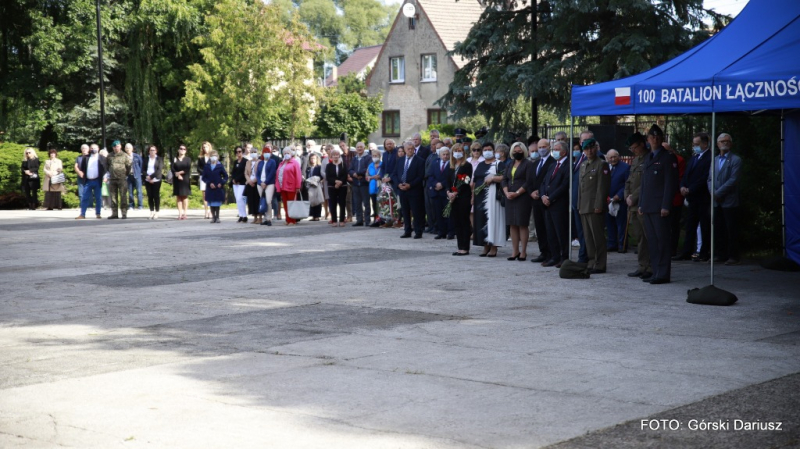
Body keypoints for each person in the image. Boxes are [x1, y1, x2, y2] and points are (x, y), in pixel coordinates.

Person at [639, 124, 679, 284]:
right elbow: (644, 184)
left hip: (660, 207)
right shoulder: (648, 157)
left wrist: (666, 205)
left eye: (657, 137)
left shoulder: (668, 157)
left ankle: (663, 273)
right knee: (653, 242)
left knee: (662, 241)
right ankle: (656, 271)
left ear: (662, 139)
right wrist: (641, 203)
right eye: (652, 137)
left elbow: (670, 183)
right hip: (648, 206)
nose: (654, 139)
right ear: (648, 140)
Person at [674, 132, 712, 262]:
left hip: (702, 197)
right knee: (690, 225)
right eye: (694, 144)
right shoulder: (694, 157)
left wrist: (691, 189)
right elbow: (686, 175)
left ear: (705, 144)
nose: (694, 146)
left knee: (704, 225)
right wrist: (682, 186)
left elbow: (705, 177)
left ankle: (704, 252)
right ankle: (686, 251)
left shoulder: (710, 158)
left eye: (697, 144)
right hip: (691, 197)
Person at [578, 138, 611, 274]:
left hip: (594, 205)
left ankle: (600, 263)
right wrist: (579, 204)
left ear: (596, 148)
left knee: (597, 236)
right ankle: (592, 261)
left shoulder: (601, 164)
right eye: (586, 149)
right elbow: (581, 188)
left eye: (591, 148)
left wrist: (599, 205)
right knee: (588, 237)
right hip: (584, 205)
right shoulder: (583, 165)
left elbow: (602, 188)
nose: (589, 151)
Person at [708, 132, 742, 265]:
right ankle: (719, 254)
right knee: (718, 228)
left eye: (727, 141)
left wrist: (718, 193)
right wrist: (712, 192)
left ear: (731, 144)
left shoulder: (736, 160)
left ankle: (733, 256)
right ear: (717, 144)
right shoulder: (714, 159)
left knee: (731, 229)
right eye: (722, 141)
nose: (725, 143)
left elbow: (733, 179)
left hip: (729, 200)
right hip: (716, 201)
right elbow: (710, 178)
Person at [624, 133, 652, 278]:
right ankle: (642, 265)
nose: (633, 150)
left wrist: (633, 197)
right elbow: (629, 181)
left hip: (643, 204)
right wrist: (627, 196)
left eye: (634, 147)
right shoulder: (636, 161)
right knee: (639, 237)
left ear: (642, 144)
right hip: (632, 205)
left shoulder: (649, 158)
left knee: (648, 236)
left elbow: (646, 183)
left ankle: (651, 266)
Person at [540, 141, 571, 267]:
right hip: (547, 204)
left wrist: (551, 198)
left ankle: (564, 257)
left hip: (559, 204)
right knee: (550, 232)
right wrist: (543, 196)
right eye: (554, 149)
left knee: (561, 232)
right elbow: (543, 182)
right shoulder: (553, 165)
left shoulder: (568, 165)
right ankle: (554, 256)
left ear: (564, 152)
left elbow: (564, 185)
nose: (555, 151)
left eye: (557, 149)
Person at [502, 142, 534, 261]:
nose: (517, 153)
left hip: (522, 197)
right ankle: (515, 251)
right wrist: (506, 192)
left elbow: (528, 181)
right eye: (515, 151)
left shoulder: (528, 164)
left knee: (522, 223)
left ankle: (523, 252)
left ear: (524, 151)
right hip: (509, 196)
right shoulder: (510, 164)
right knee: (512, 224)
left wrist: (517, 193)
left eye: (519, 151)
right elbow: (504, 179)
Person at [473, 142, 506, 256]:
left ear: (493, 151)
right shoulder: (480, 164)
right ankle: (485, 245)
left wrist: (493, 178)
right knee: (482, 220)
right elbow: (475, 180)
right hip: (479, 197)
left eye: (489, 149)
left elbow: (504, 177)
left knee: (492, 220)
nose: (487, 151)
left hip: (492, 197)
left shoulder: (498, 164)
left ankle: (493, 247)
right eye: (485, 149)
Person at [530, 139, 555, 263]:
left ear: (549, 147)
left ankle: (551, 253)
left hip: (546, 200)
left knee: (548, 228)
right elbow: (530, 180)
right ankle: (543, 252)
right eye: (539, 147)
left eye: (544, 146)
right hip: (535, 200)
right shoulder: (535, 163)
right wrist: (531, 191)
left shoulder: (553, 162)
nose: (541, 149)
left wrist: (541, 193)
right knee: (539, 227)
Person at [394, 141, 426, 238]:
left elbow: (420, 176)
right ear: (404, 150)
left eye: (412, 149)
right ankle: (407, 231)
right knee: (405, 211)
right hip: (402, 190)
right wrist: (398, 184)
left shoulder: (420, 161)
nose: (410, 150)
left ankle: (418, 231)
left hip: (414, 190)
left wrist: (410, 185)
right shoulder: (400, 160)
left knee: (416, 212)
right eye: (408, 149)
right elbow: (394, 174)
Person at [447, 144, 473, 255]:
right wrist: (448, 193)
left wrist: (456, 192)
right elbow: (447, 181)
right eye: (455, 150)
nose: (458, 152)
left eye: (460, 150)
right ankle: (459, 246)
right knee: (457, 222)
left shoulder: (467, 165)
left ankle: (465, 247)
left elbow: (465, 181)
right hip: (453, 198)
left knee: (464, 221)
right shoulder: (451, 166)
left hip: (463, 197)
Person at [605, 149, 630, 252]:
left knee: (621, 224)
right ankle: (612, 243)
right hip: (607, 200)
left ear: (618, 156)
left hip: (619, 200)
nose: (613, 159)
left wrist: (619, 195)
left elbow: (627, 184)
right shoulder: (606, 167)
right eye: (610, 157)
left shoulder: (625, 167)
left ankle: (622, 245)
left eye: (615, 156)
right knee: (609, 223)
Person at [571, 133, 590, 263]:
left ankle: (585, 257)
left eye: (588, 140)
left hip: (586, 201)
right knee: (580, 231)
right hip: (575, 200)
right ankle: (582, 256)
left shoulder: (595, 157)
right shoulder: (579, 157)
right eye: (583, 140)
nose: (586, 143)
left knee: (586, 232)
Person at [426, 146, 451, 239]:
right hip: (436, 191)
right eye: (443, 154)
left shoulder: (451, 164)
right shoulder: (435, 162)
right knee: (438, 213)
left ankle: (450, 232)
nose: (445, 156)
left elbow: (451, 177)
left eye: (447, 154)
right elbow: (430, 175)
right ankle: (441, 232)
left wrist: (443, 184)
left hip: (446, 191)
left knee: (448, 213)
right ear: (439, 155)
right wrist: (436, 184)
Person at [76, 144, 106, 219]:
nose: (93, 149)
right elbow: (83, 168)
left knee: (98, 198)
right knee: (85, 197)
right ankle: (82, 214)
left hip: (97, 181)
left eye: (94, 148)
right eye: (91, 148)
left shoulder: (102, 158)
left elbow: (105, 169)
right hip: (88, 181)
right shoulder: (85, 158)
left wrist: (105, 177)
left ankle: (98, 213)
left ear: (98, 149)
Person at [105, 140, 132, 219]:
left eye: (117, 146)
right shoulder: (109, 156)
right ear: (112, 147)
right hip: (112, 179)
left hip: (122, 179)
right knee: (113, 197)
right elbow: (107, 165)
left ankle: (124, 213)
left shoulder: (125, 155)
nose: (116, 148)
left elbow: (129, 166)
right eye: (114, 146)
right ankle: (114, 213)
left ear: (120, 146)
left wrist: (125, 174)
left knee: (123, 196)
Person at [276, 146, 303, 226]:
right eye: (285, 153)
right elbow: (278, 174)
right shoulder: (281, 163)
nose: (286, 154)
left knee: (291, 204)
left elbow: (298, 175)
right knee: (285, 204)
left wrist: (298, 186)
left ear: (291, 154)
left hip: (291, 186)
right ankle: (287, 219)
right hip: (282, 186)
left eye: (288, 153)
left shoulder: (294, 162)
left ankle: (292, 220)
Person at [201, 150, 228, 223]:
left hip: (218, 187)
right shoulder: (207, 166)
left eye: (215, 156)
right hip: (210, 187)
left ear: (217, 157)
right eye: (212, 156)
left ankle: (218, 217)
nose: (214, 157)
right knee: (211, 203)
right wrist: (209, 183)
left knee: (217, 203)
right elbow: (204, 177)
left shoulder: (220, 166)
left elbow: (225, 176)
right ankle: (213, 217)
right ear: (210, 157)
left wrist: (221, 183)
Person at [349, 142, 372, 226]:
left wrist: (358, 174)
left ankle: (367, 220)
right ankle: (359, 220)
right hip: (355, 183)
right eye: (358, 147)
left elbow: (368, 168)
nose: (359, 148)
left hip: (364, 183)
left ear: (364, 148)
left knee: (366, 203)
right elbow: (350, 169)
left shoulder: (368, 157)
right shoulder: (354, 158)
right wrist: (354, 174)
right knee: (357, 203)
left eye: (361, 147)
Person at [326, 147, 348, 227]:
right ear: (331, 156)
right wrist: (335, 181)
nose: (335, 156)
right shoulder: (329, 166)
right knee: (333, 203)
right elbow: (328, 177)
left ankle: (342, 220)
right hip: (332, 186)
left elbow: (345, 175)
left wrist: (340, 182)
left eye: (337, 155)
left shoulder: (343, 165)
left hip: (343, 186)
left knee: (342, 203)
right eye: (334, 155)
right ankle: (334, 220)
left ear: (339, 156)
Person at [257, 146, 278, 226]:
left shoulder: (272, 162)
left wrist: (265, 182)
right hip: (260, 184)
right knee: (263, 201)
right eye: (265, 152)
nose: (266, 154)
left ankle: (269, 219)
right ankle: (265, 218)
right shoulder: (260, 162)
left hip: (269, 184)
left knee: (268, 201)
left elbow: (272, 173)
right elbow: (257, 174)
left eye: (268, 152)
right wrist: (260, 182)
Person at [143, 145, 164, 219]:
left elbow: (159, 170)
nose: (152, 152)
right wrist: (147, 177)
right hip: (147, 179)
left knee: (156, 196)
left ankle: (157, 211)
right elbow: (143, 169)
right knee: (150, 196)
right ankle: (151, 211)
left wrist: (151, 177)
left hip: (156, 180)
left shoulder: (159, 159)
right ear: (149, 151)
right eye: (151, 150)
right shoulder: (146, 159)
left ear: (156, 151)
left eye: (154, 150)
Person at [172, 144, 192, 220]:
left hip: (185, 179)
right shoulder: (175, 159)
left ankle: (185, 213)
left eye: (184, 149)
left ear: (186, 151)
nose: (182, 150)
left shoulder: (188, 159)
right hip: (177, 179)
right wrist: (177, 174)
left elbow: (188, 168)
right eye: (181, 148)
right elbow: (172, 168)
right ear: (178, 150)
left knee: (185, 196)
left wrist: (180, 173)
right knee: (178, 196)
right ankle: (180, 213)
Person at [244, 146, 262, 224]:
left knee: (258, 200)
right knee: (251, 201)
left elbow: (260, 173)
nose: (253, 153)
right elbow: (246, 173)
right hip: (249, 183)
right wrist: (249, 181)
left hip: (257, 183)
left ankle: (260, 217)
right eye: (252, 152)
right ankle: (254, 217)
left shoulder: (260, 162)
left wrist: (254, 181)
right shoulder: (248, 162)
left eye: (255, 152)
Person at [230, 146, 248, 222]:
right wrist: (233, 179)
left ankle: (244, 215)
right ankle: (241, 215)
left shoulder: (245, 161)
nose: (238, 153)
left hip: (242, 183)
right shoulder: (235, 162)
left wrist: (237, 179)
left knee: (240, 198)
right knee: (237, 200)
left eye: (240, 151)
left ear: (242, 152)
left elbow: (244, 172)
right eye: (237, 152)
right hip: (235, 184)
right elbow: (233, 172)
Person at [304, 152, 323, 221]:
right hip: (310, 185)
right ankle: (313, 215)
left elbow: (321, 176)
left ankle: (317, 215)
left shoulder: (319, 167)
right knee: (311, 201)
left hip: (317, 185)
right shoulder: (308, 168)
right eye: (311, 158)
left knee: (317, 201)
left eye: (314, 158)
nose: (312, 160)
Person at [367, 149, 383, 227]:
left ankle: (382, 220)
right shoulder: (370, 165)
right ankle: (375, 219)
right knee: (374, 204)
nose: (374, 157)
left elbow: (385, 174)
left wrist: (379, 177)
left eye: (376, 156)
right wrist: (373, 177)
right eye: (373, 156)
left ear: (379, 156)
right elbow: (367, 177)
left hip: (381, 187)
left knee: (381, 204)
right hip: (372, 187)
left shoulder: (382, 164)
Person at [126, 144, 143, 210]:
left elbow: (141, 165)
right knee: (130, 192)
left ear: (132, 149)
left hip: (137, 175)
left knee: (139, 191)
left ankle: (140, 205)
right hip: (128, 176)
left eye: (129, 148)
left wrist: (139, 173)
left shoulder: (137, 156)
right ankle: (131, 205)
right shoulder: (124, 157)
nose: (128, 149)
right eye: (127, 148)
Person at [197, 142, 212, 219]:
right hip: (203, 177)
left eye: (206, 147)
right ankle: (206, 211)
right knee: (204, 194)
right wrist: (204, 173)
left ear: (209, 147)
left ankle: (211, 211)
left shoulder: (213, 156)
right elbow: (198, 168)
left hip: (211, 177)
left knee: (211, 193)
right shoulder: (200, 157)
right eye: (203, 147)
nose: (205, 148)